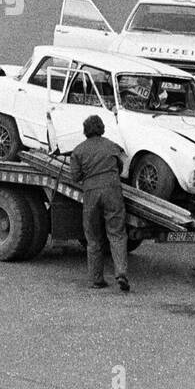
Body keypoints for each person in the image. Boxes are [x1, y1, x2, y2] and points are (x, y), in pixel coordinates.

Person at [67, 114, 130, 292]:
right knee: (117, 233)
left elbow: (75, 176)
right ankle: (121, 273)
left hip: (91, 193)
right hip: (112, 190)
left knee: (93, 237)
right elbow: (120, 168)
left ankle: (96, 279)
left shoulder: (78, 150)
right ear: (102, 129)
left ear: (85, 131)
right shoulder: (112, 145)